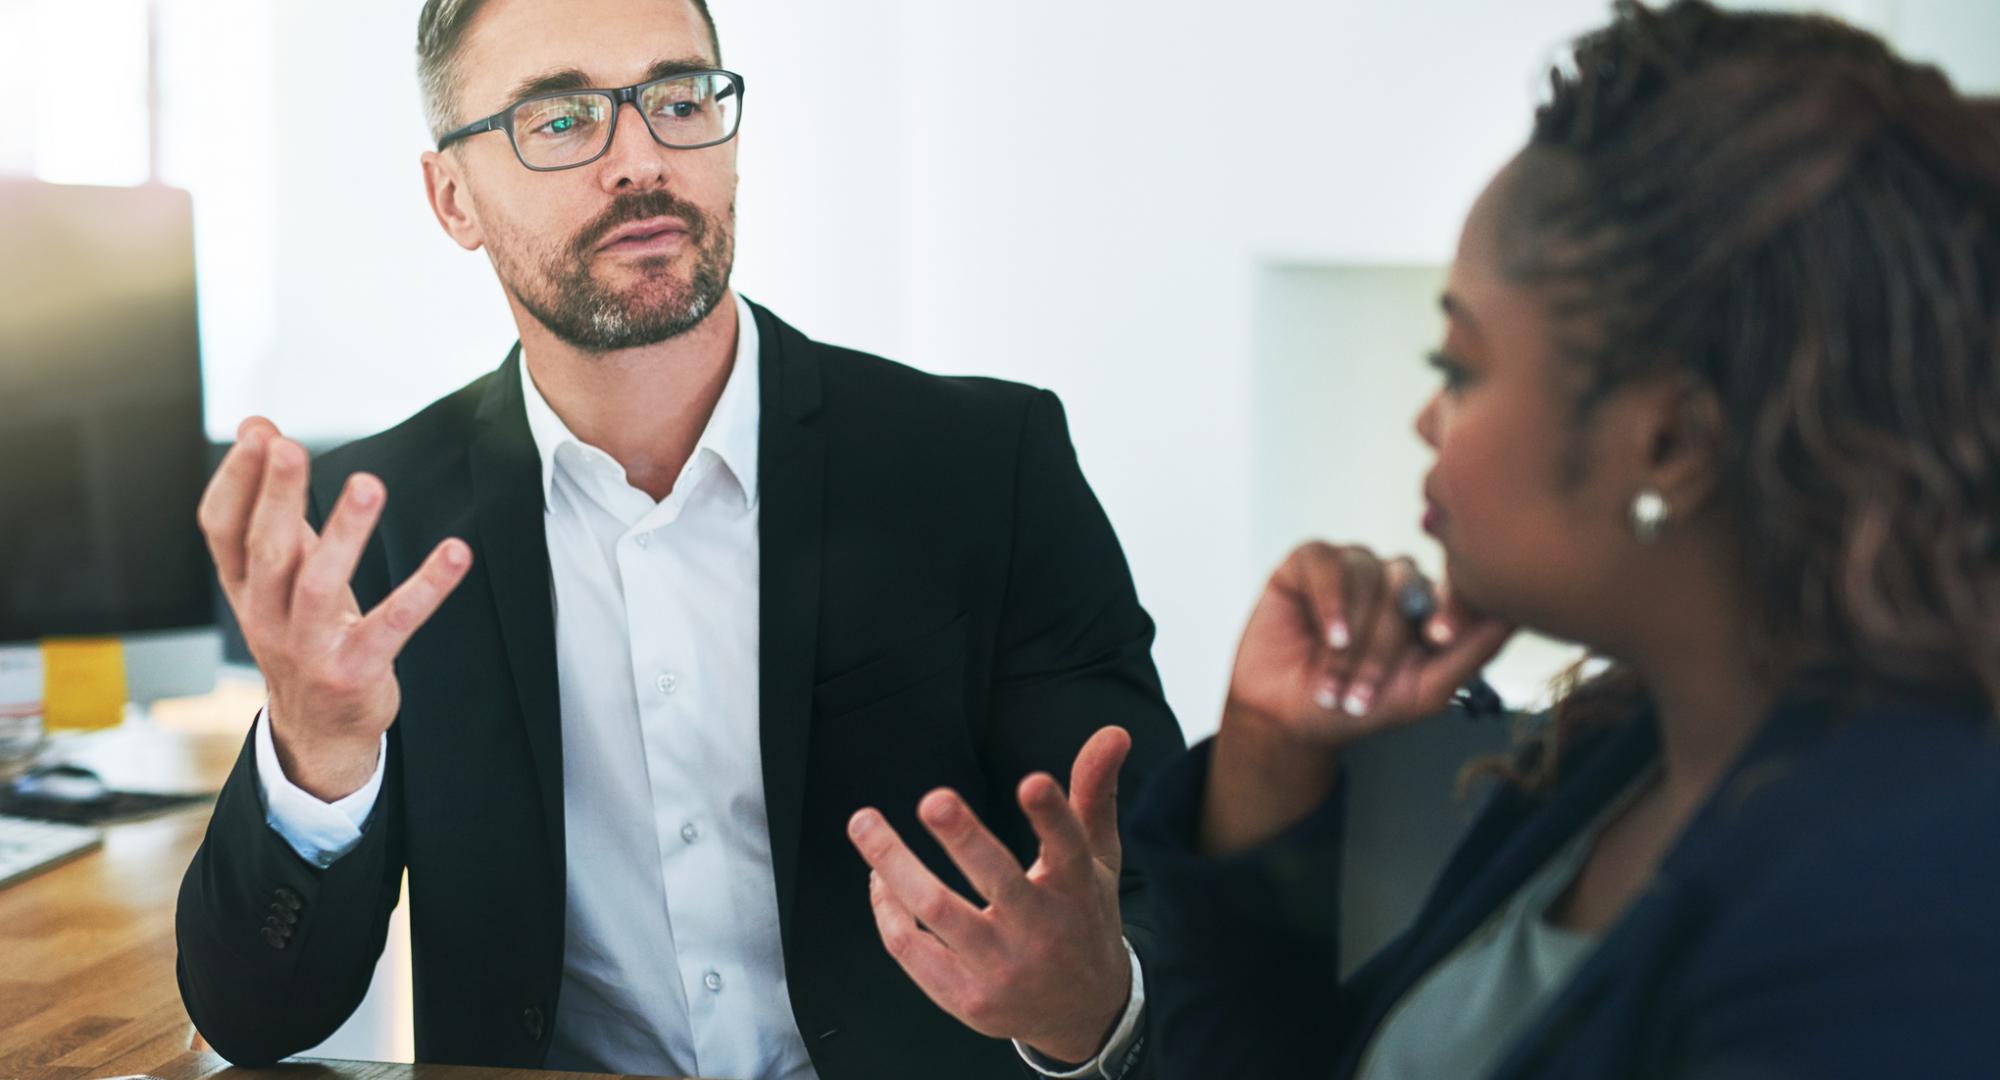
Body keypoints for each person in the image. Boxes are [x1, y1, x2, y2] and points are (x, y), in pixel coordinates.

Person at [173, 1, 1184, 1077]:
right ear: (451, 197)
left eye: (678, 97)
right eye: (558, 119)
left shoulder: (987, 464)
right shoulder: (375, 527)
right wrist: (318, 752)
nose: (640, 158)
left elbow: (1155, 895)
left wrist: (1092, 1011)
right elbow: (255, 1021)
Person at [1127, 2, 2000, 1077]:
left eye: (1459, 367)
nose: (1425, 420)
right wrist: (1270, 755)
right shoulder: (1618, 757)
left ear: (1668, 442)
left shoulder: (1898, 913)